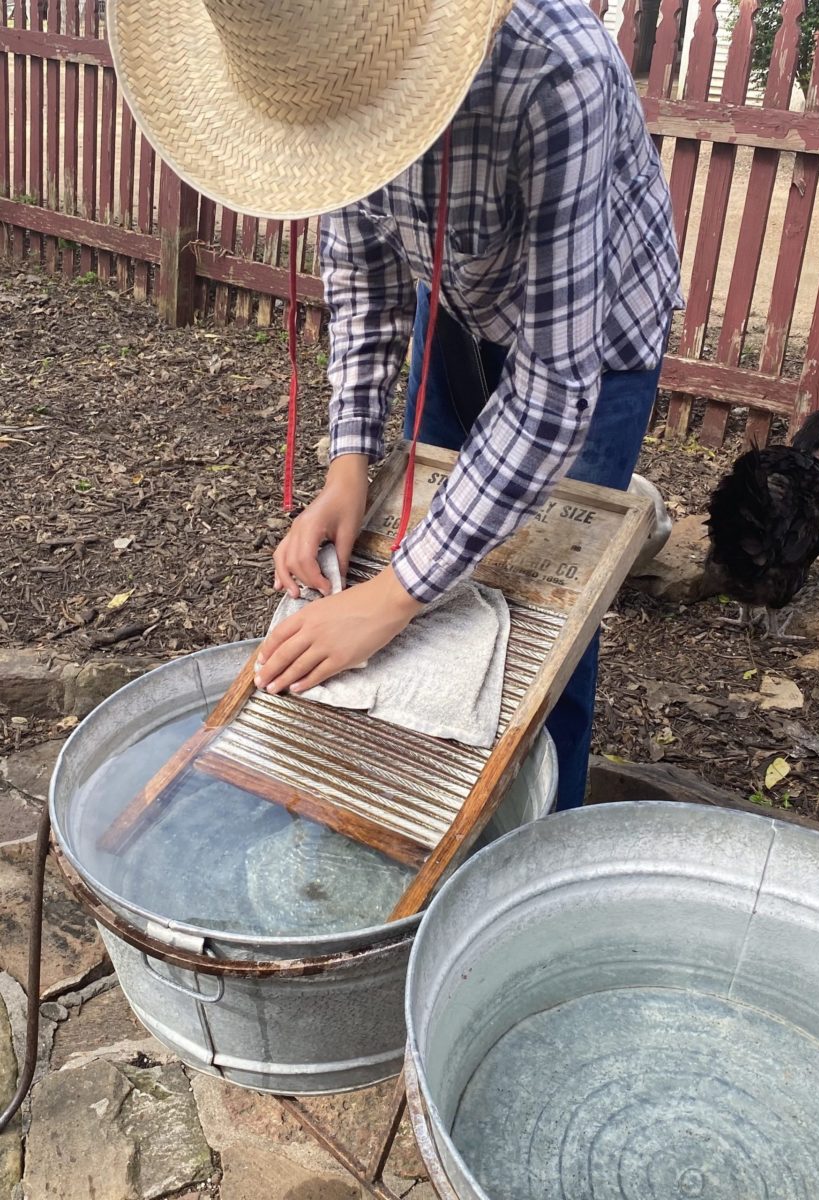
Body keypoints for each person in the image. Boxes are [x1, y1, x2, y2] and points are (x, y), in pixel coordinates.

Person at [109, 0, 681, 810]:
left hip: (596, 327)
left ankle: (536, 835)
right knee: (424, 542)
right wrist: (348, 466)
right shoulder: (318, 76)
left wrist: (389, 599)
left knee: (547, 597)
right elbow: (362, 283)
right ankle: (409, 804)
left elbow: (555, 389)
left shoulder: (557, 70)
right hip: (453, 295)